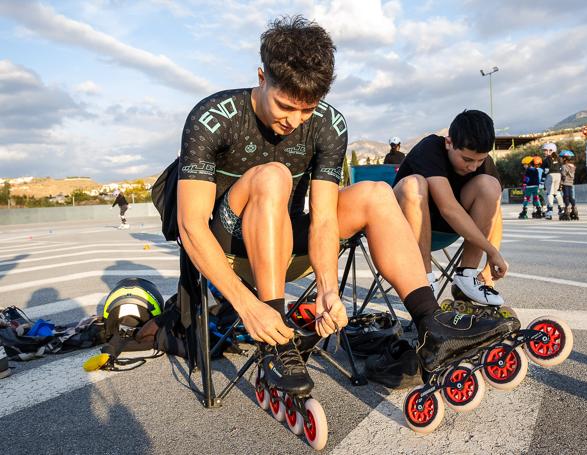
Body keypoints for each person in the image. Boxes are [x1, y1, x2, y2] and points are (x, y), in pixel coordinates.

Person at [176, 17, 515, 394]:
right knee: (273, 175)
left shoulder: (328, 123)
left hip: (288, 237)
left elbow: (323, 218)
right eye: (285, 106)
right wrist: (245, 304)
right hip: (230, 246)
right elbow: (190, 225)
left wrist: (328, 289)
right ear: (261, 77)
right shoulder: (212, 116)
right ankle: (276, 336)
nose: (295, 120)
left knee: (375, 193)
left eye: (307, 110)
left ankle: (431, 326)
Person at [392, 110, 508, 306]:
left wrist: (489, 267)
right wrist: (491, 250)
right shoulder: (430, 147)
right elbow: (448, 208)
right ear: (449, 142)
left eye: (480, 160)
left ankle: (466, 277)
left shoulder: (483, 163)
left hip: (446, 230)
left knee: (490, 185)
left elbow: (494, 214)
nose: (473, 167)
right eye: (467, 159)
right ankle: (423, 281)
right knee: (414, 184)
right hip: (404, 229)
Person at [541, 142, 564, 220]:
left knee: (549, 193)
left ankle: (549, 211)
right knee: (557, 192)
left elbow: (545, 171)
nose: (544, 152)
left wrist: (542, 181)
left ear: (550, 150)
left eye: (545, 150)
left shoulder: (547, 159)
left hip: (550, 175)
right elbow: (561, 168)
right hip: (558, 175)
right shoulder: (559, 158)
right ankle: (562, 208)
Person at [559, 150, 579, 220]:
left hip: (565, 183)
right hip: (570, 183)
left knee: (566, 197)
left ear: (565, 158)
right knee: (570, 197)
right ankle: (574, 209)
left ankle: (567, 210)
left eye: (561, 157)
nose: (560, 159)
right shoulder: (573, 166)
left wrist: (560, 183)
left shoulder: (564, 166)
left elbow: (563, 176)